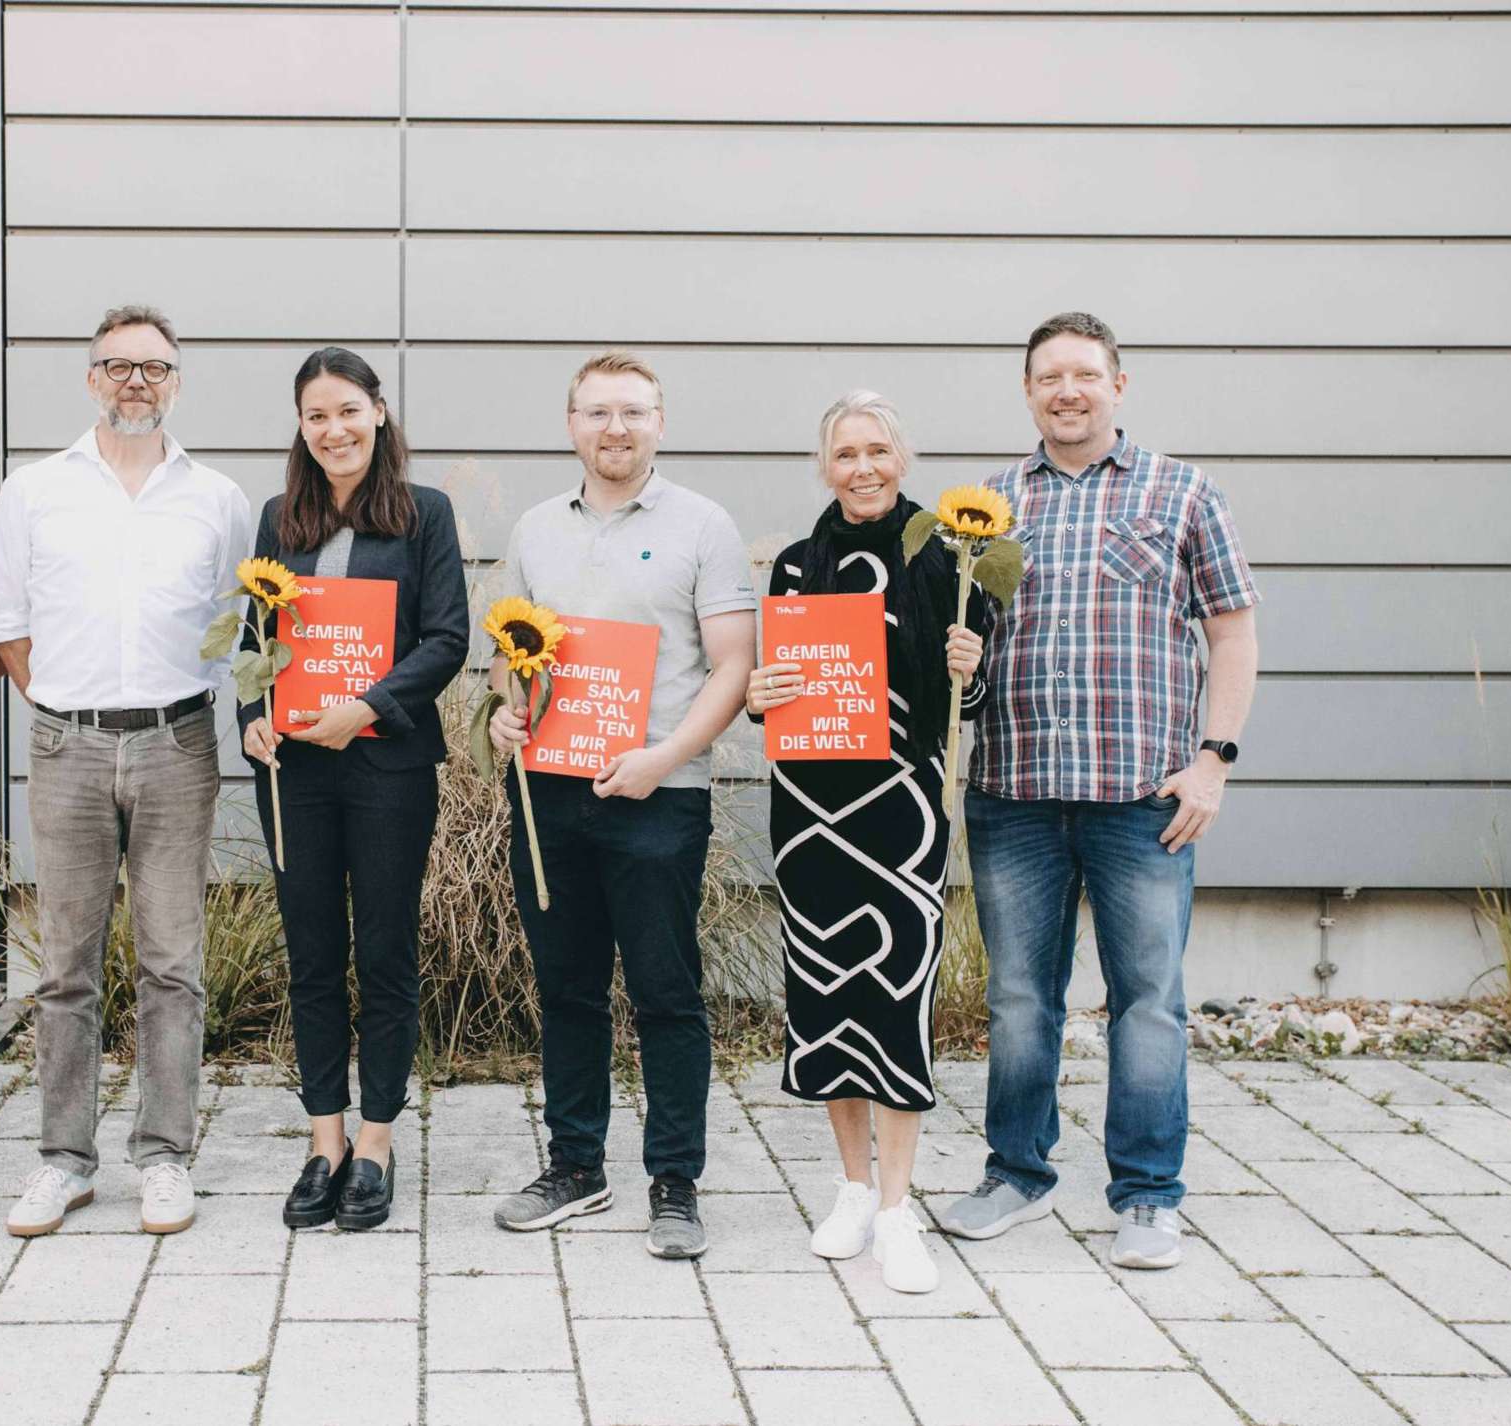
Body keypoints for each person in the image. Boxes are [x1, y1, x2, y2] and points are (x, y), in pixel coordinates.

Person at [944, 312, 1260, 1270]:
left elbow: (1233, 633)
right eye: (1048, 377)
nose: (1066, 391)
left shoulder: (1183, 492)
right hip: (1016, 791)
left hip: (1142, 799)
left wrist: (1214, 758)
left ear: (1118, 384)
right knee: (1019, 1000)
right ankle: (1016, 1174)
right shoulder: (989, 507)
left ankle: (1149, 1195)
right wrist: (962, 662)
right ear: (1029, 391)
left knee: (1149, 1000)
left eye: (1084, 374)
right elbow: (975, 653)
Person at [0, 305, 252, 1238]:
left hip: (179, 744)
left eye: (155, 368)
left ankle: (165, 1155)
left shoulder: (217, 498)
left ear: (177, 381)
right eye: (118, 366)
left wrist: (182, 705)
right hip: (68, 744)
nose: (137, 381)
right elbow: (7, 621)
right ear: (90, 378)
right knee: (65, 964)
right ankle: (63, 1160)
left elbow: (230, 627)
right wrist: (66, 708)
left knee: (174, 961)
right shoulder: (33, 490)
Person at [487, 350, 756, 1260]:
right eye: (598, 412)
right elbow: (508, 653)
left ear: (660, 424)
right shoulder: (534, 529)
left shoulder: (702, 526)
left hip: (658, 796)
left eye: (633, 412)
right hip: (549, 797)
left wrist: (665, 757)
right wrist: (502, 714)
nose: (615, 428)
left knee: (666, 994)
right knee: (566, 989)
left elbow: (733, 665)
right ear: (571, 424)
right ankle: (576, 1166)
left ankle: (676, 1181)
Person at [744, 391, 990, 1293]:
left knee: (894, 998)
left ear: (904, 456)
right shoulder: (797, 569)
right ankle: (850, 1188)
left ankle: (897, 1207)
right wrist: (760, 695)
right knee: (826, 995)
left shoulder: (948, 559)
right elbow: (766, 694)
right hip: (810, 815)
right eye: (845, 453)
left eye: (877, 450)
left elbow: (967, 715)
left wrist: (970, 670)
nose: (863, 468)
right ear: (824, 466)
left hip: (903, 816)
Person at [237, 348, 468, 1231]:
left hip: (386, 766)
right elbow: (253, 636)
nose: (333, 430)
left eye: (347, 411)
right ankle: (322, 1138)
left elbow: (445, 639)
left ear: (378, 411)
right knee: (310, 953)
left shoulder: (423, 515)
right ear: (301, 428)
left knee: (383, 949)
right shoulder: (278, 519)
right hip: (292, 770)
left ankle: (375, 1142)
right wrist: (254, 713)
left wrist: (365, 707)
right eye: (315, 416)